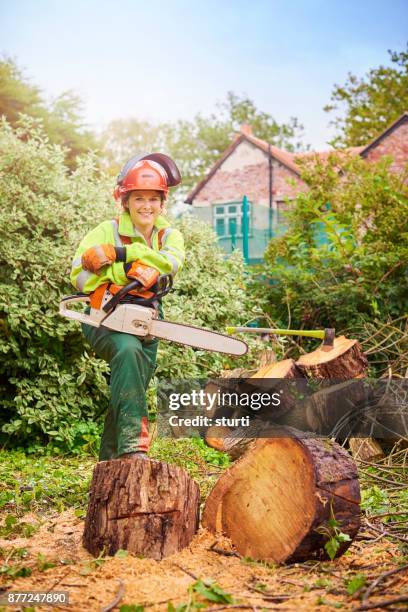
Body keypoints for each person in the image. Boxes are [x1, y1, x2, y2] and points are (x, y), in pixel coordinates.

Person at [70, 153, 185, 461]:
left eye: (153, 199)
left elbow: (170, 264)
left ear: (162, 202)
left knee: (129, 385)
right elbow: (78, 274)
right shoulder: (104, 230)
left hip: (146, 319)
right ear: (126, 201)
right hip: (103, 316)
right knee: (127, 352)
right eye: (139, 199)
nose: (146, 206)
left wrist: (124, 252)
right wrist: (119, 276)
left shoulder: (169, 235)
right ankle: (134, 447)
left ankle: (108, 467)